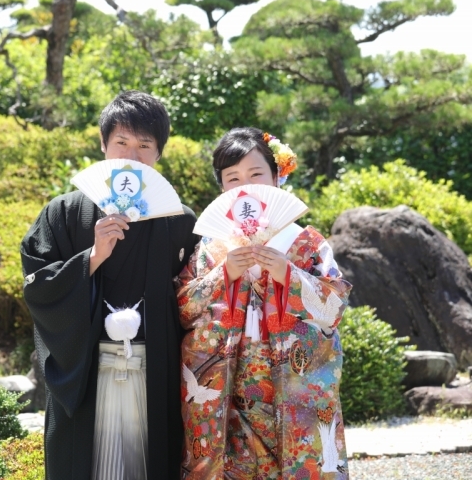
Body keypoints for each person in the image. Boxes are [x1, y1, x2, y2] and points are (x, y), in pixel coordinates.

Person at [21, 91, 200, 480]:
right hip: (86, 372)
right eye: (121, 142)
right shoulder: (64, 213)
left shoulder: (180, 221)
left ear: (159, 154)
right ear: (103, 144)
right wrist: (92, 257)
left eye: (144, 145)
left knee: (150, 465)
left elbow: (200, 299)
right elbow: (38, 286)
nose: (132, 156)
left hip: (156, 372)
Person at [176, 127, 352, 479]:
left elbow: (334, 310)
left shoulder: (306, 243)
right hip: (228, 387)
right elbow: (184, 309)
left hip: (292, 383)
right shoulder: (212, 249)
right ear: (222, 188)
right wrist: (221, 273)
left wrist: (290, 274)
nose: (245, 186)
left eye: (256, 174)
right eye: (232, 178)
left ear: (276, 177)